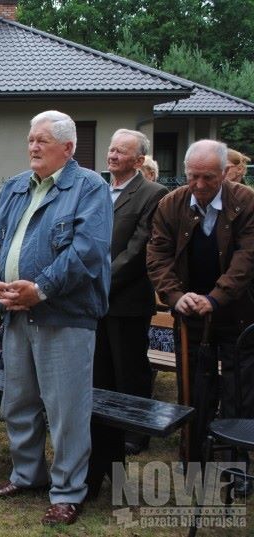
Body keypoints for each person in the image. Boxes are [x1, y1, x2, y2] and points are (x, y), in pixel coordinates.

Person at [0, 110, 112, 526]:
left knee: (67, 409)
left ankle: (69, 492)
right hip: (16, 313)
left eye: (42, 140)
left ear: (68, 148)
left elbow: (87, 252)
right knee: (18, 401)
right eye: (31, 139)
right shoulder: (17, 186)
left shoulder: (90, 188)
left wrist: (40, 289)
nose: (33, 146)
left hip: (64, 315)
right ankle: (27, 474)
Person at [147, 139, 254, 495]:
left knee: (240, 391)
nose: (200, 185)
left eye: (208, 178)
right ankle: (193, 460)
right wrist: (176, 296)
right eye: (193, 177)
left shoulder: (246, 202)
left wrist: (216, 297)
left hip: (237, 314)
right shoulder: (171, 204)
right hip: (189, 314)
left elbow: (247, 259)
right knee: (194, 388)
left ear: (225, 173)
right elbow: (158, 256)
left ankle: (237, 467)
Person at [86, 130, 168, 496]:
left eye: (122, 151)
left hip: (126, 301)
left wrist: (100, 280)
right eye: (111, 149)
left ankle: (136, 432)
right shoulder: (99, 190)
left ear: (139, 160)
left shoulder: (152, 194)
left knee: (128, 368)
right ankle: (105, 432)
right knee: (99, 368)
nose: (113, 155)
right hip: (93, 299)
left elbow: (138, 249)